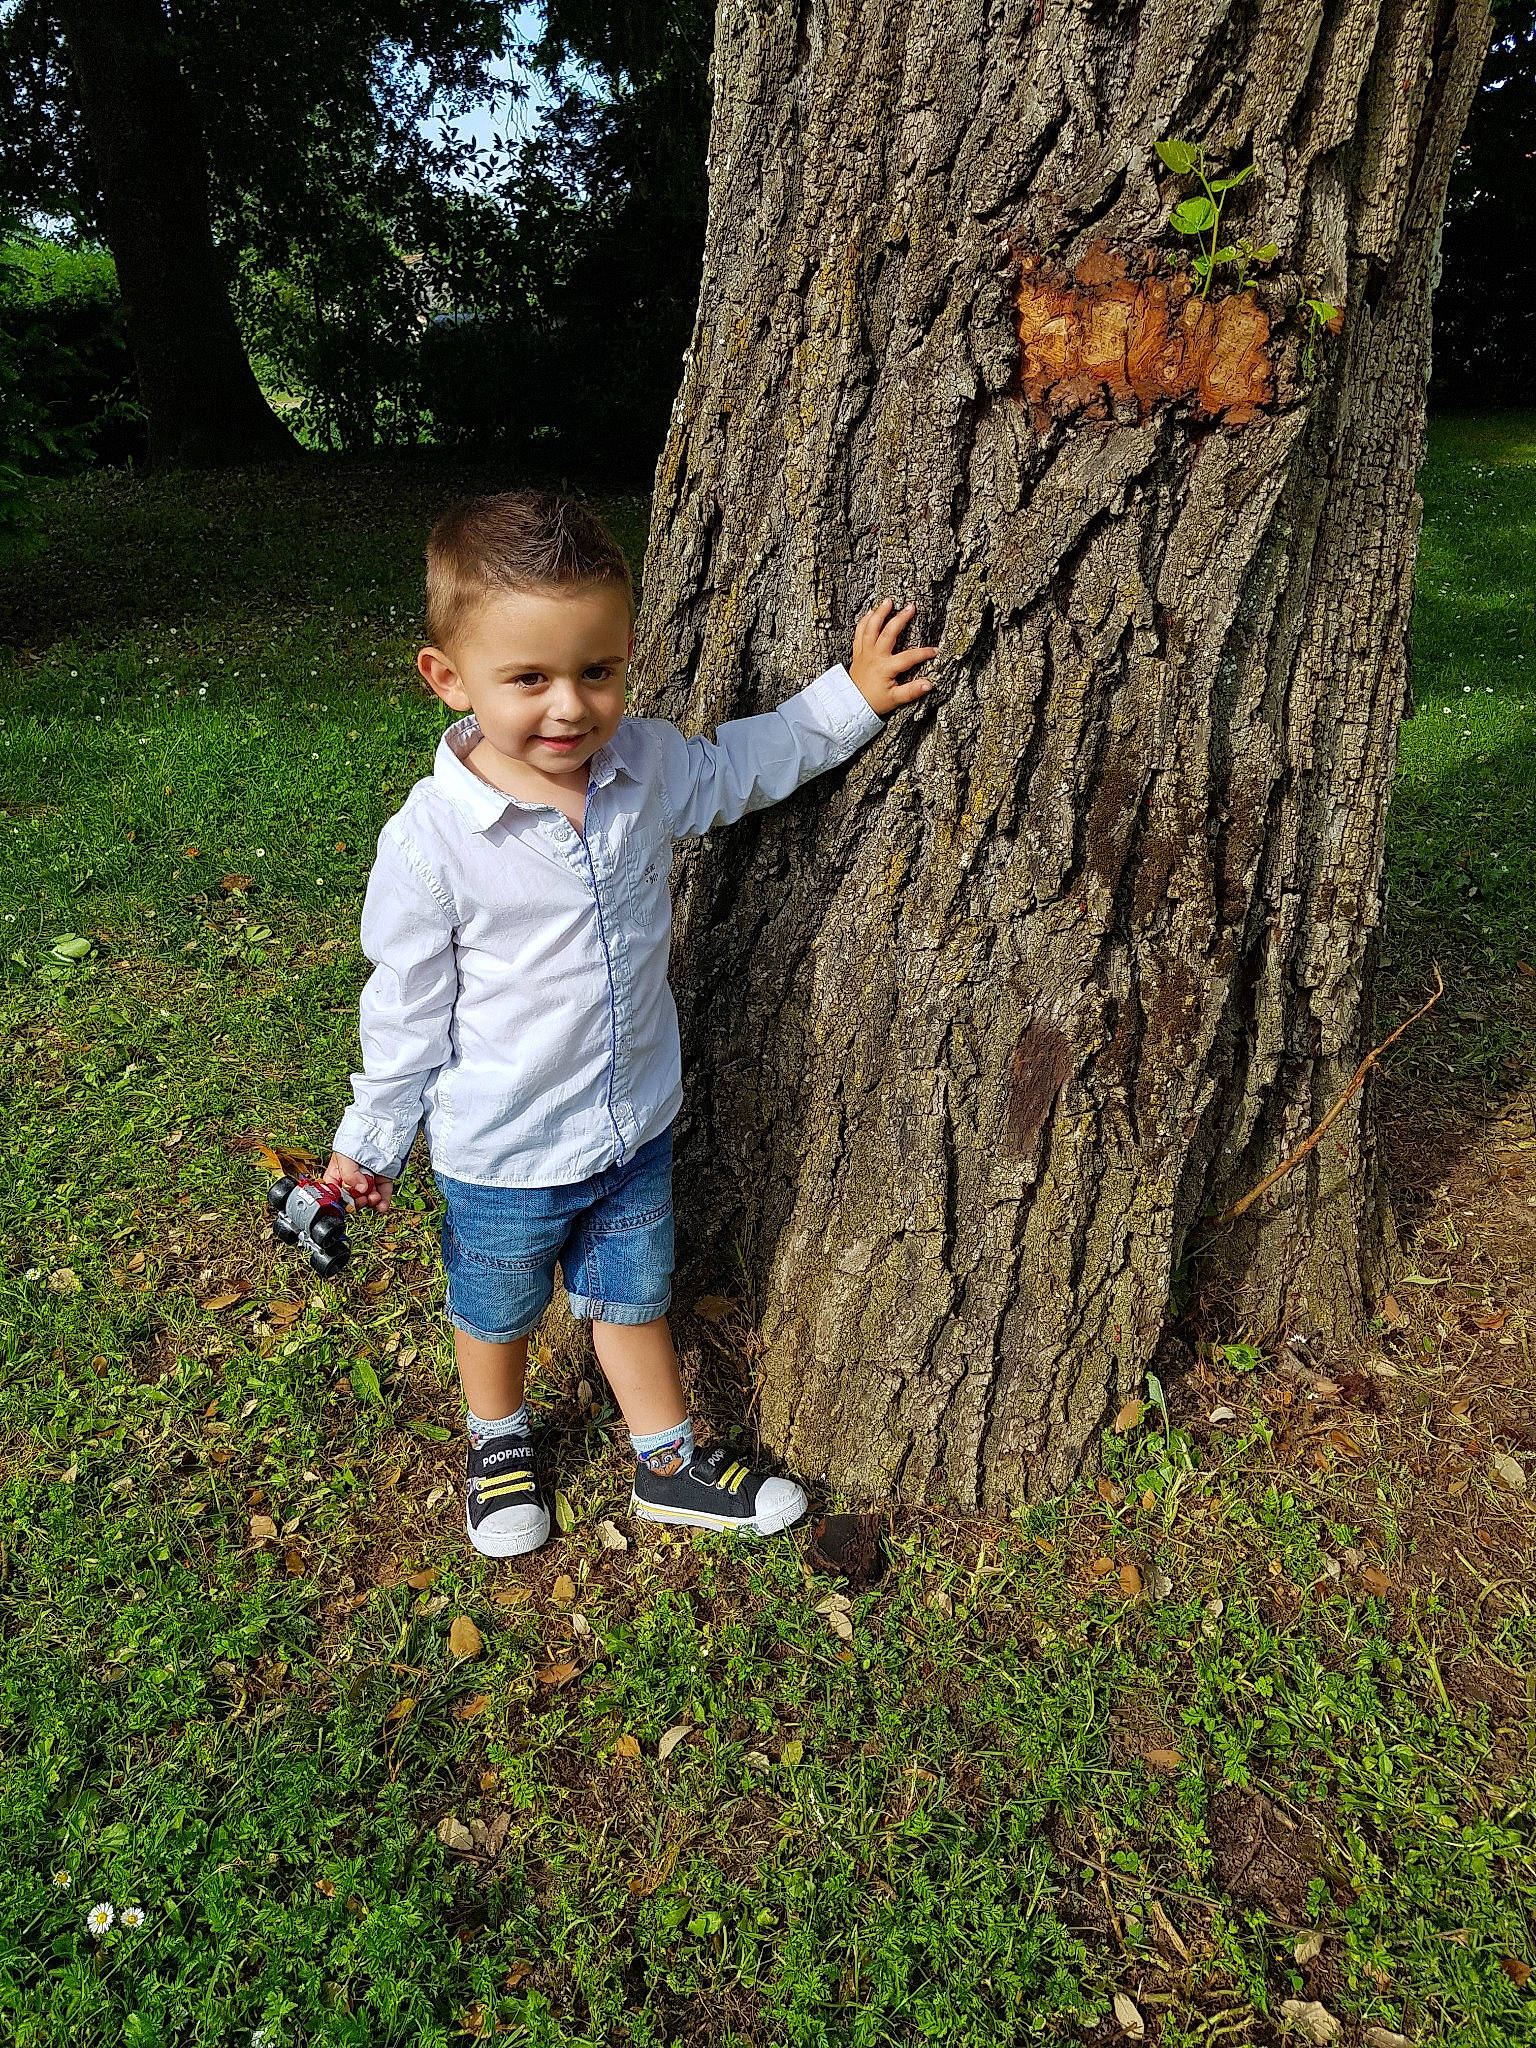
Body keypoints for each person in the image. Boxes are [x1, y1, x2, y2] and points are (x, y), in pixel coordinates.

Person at [322, 491, 936, 1557]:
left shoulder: (643, 766)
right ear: (447, 678)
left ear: (626, 657)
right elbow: (404, 1014)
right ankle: (498, 1437)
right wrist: (370, 1142)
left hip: (632, 1126)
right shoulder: (432, 845)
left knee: (630, 1293)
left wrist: (853, 697)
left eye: (596, 671)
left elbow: (747, 763)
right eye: (529, 679)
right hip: (503, 1151)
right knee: (496, 1308)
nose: (569, 706)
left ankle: (668, 1462)